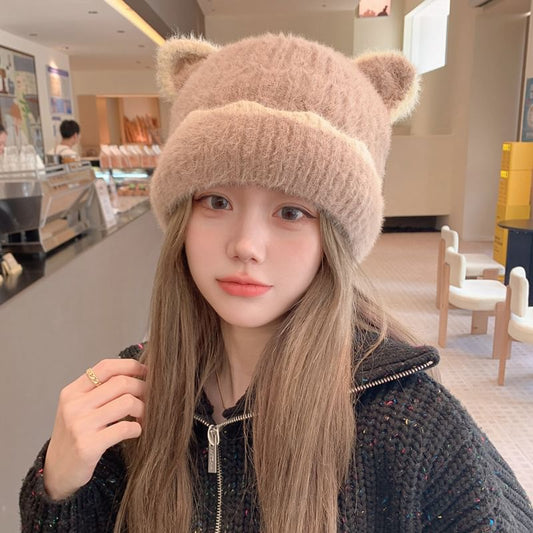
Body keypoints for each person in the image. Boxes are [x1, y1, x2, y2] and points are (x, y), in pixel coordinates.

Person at [20, 34, 533, 533]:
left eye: (291, 212)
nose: (246, 245)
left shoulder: (411, 423)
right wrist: (59, 488)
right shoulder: (133, 399)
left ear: (334, 239)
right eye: (217, 202)